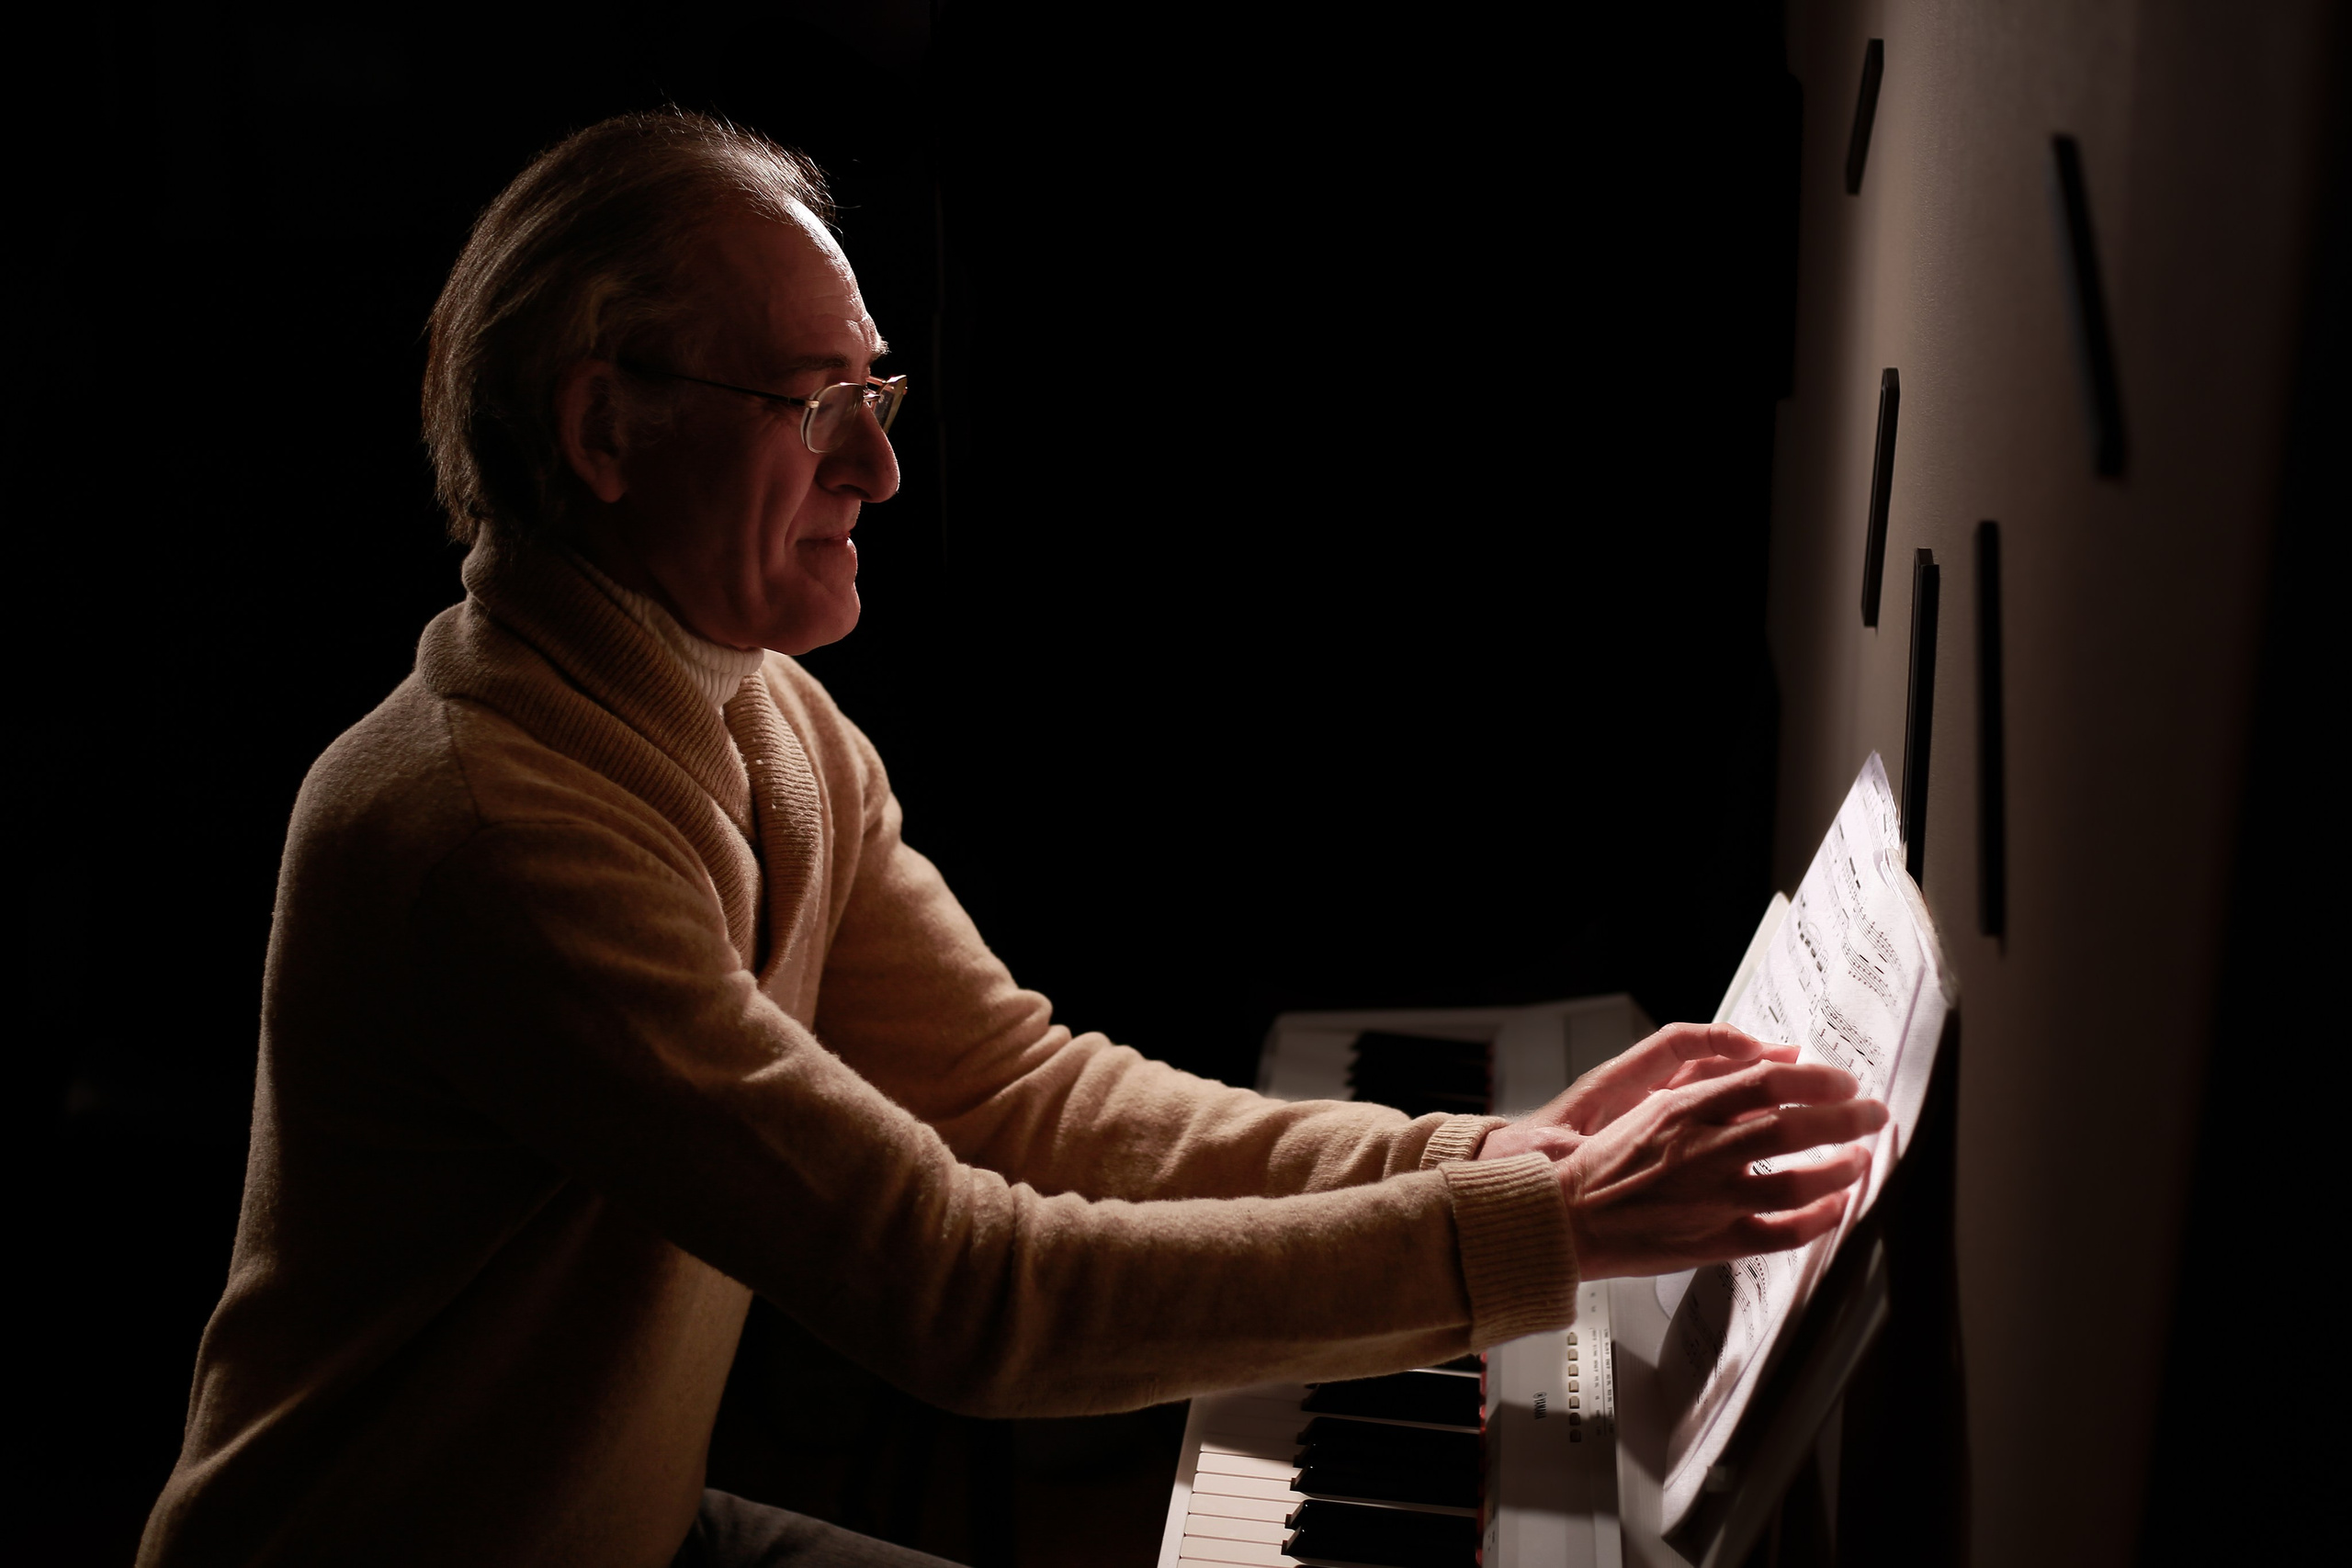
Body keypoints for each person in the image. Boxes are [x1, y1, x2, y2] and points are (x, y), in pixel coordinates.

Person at [136, 111, 1884, 1568]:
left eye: (873, 396)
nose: (879, 473)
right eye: (813, 409)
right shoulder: (493, 829)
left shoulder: (763, 714)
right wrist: (1538, 1235)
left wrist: (1485, 1158)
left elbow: (1025, 1101)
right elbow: (965, 1291)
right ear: (604, 431)